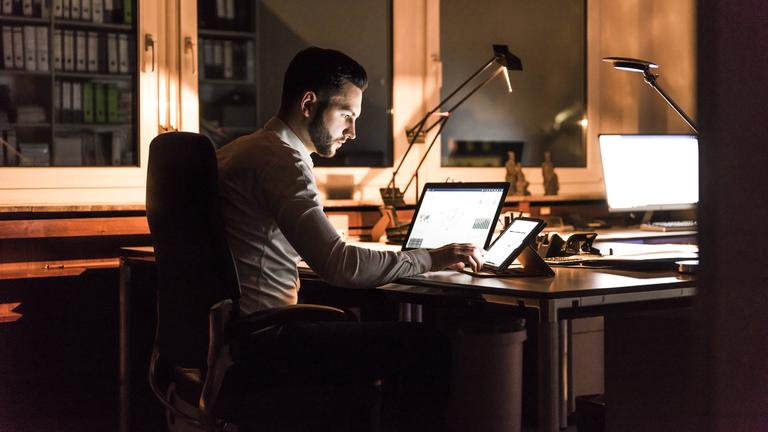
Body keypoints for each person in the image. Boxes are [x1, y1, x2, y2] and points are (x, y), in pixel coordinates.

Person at [216, 47, 484, 430]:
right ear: (309, 103)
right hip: (263, 345)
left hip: (226, 342)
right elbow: (339, 264)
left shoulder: (237, 151)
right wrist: (431, 258)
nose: (352, 131)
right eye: (346, 115)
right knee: (427, 346)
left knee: (362, 326)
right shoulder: (282, 161)